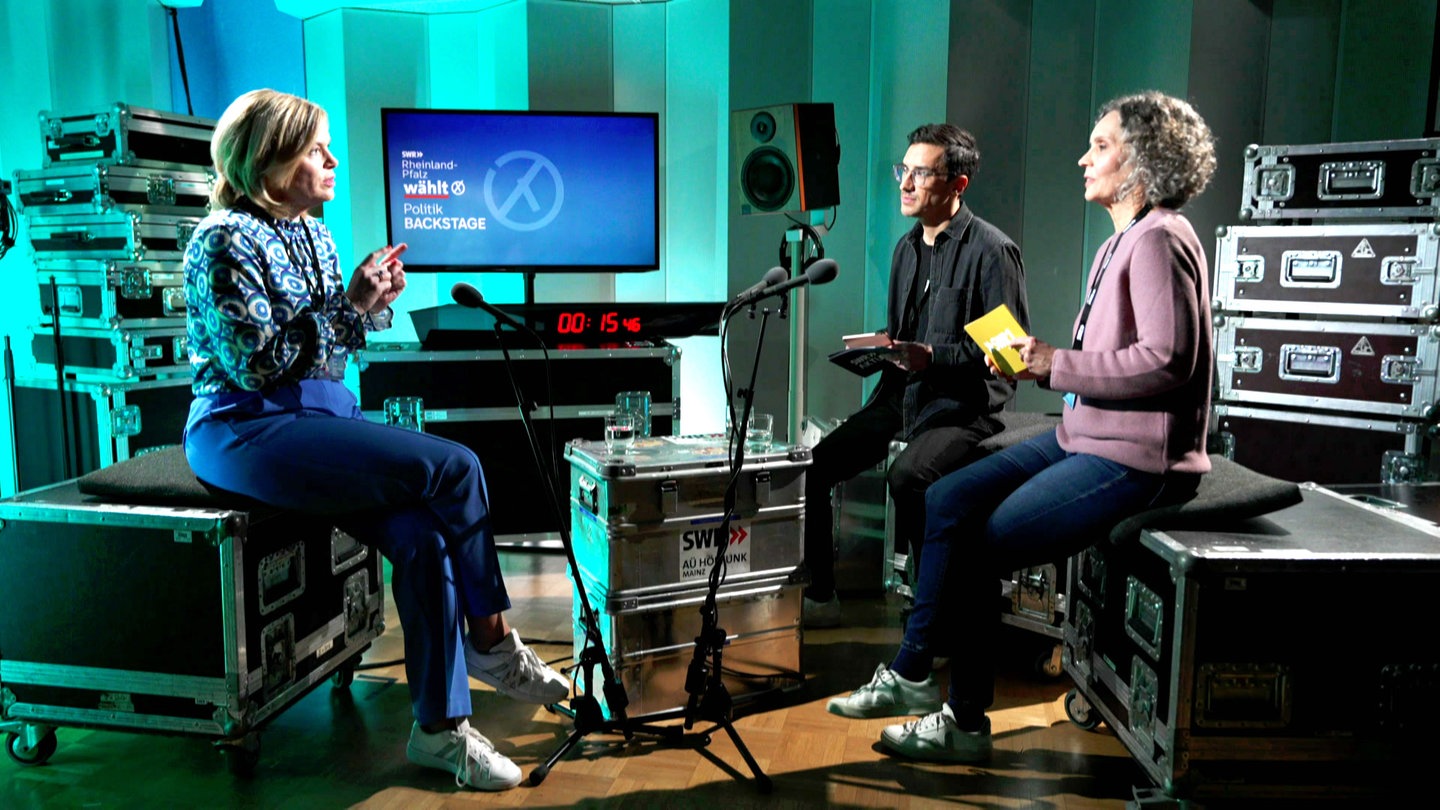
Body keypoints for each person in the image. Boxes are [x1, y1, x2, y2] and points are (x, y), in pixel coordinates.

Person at [181, 89, 569, 791]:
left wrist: (369, 304)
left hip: (318, 418)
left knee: (424, 540)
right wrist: (351, 307)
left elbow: (329, 354)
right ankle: (491, 641)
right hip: (245, 425)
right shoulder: (222, 239)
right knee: (458, 467)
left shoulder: (314, 234)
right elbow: (257, 365)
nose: (332, 160)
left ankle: (439, 730)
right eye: (315, 149)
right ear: (269, 162)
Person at [826, 91, 1217, 764]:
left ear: (1144, 161)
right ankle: (914, 670)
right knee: (946, 497)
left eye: (1100, 146)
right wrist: (1040, 363)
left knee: (975, 545)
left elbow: (1166, 361)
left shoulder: (1159, 239)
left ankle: (962, 718)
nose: (1083, 159)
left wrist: (1051, 363)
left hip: (1137, 459)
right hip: (1080, 437)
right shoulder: (1120, 241)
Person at [803, 124, 1028, 627]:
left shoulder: (992, 251)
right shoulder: (906, 249)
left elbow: (1009, 357)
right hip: (903, 395)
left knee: (909, 477)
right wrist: (883, 348)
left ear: (958, 184)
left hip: (963, 405)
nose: (905, 184)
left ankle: (937, 613)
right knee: (816, 466)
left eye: (920, 173)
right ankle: (821, 595)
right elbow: (908, 336)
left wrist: (933, 357)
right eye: (902, 171)